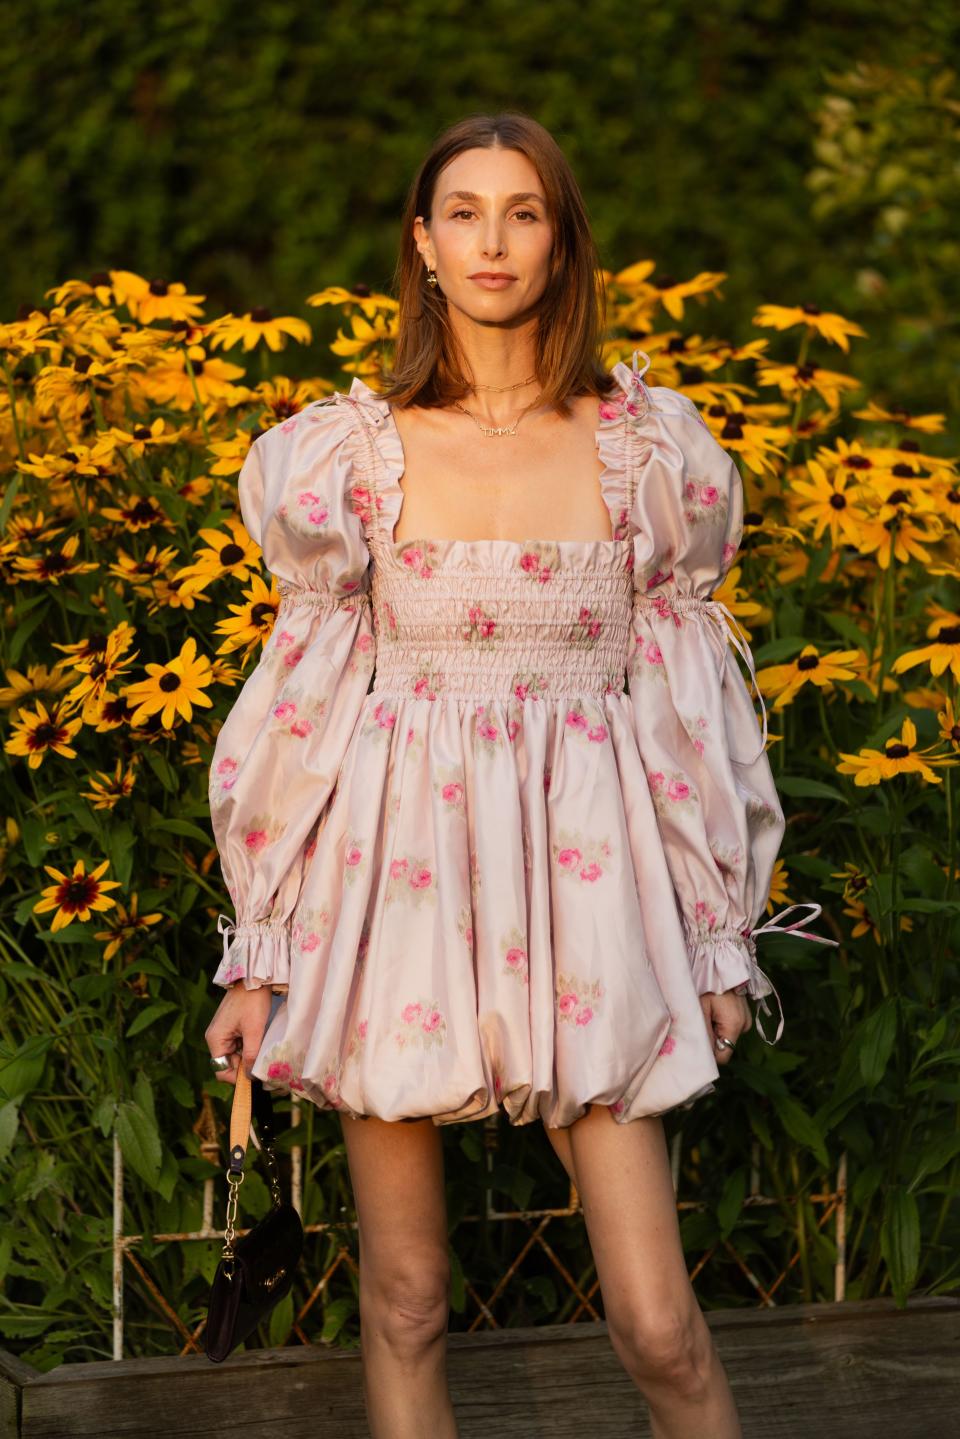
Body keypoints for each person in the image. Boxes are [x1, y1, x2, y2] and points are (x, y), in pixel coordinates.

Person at [204, 111, 798, 1439]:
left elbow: (693, 722)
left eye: (522, 210)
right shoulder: (349, 458)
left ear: (562, 239)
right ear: (421, 245)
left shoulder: (644, 453)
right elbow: (302, 717)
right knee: (407, 1298)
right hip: (398, 884)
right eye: (462, 211)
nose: (491, 239)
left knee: (658, 1322)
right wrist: (260, 956)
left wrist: (714, 944)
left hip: (592, 893)